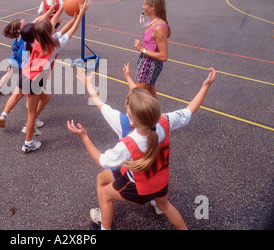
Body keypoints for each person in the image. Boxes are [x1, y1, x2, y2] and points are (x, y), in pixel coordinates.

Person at [67, 63, 216, 230]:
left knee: (105, 194)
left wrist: (84, 137)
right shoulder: (164, 121)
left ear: (130, 116)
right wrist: (205, 86)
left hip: (140, 187)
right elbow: (189, 110)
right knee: (166, 206)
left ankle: (104, 227)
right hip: (162, 180)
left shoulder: (129, 143)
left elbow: (102, 161)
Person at [20, 0, 92, 152]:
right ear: (50, 31)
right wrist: (80, 14)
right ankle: (28, 143)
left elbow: (52, 25)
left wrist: (66, 14)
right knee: (31, 114)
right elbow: (70, 31)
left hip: (27, 75)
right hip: (33, 79)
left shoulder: (37, 38)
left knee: (45, 98)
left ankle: (30, 125)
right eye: (53, 27)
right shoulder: (54, 46)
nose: (54, 26)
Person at [134, 0, 170, 99]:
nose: (142, 6)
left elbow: (163, 56)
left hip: (150, 64)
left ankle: (135, 115)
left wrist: (142, 49)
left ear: (152, 7)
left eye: (144, 4)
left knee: (137, 95)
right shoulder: (152, 21)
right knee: (150, 92)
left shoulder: (159, 28)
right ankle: (156, 115)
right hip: (145, 60)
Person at [0, 18, 26, 96]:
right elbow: (35, 22)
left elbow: (35, 21)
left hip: (16, 59)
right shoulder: (24, 35)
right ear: (19, 30)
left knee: (15, 76)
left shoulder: (21, 34)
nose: (26, 26)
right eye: (24, 25)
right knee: (11, 75)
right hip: (17, 60)